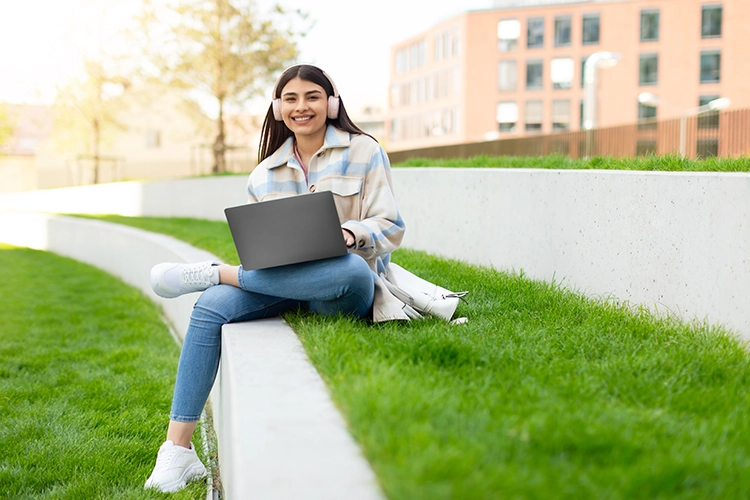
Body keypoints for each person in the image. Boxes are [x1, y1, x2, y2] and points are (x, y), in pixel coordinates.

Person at [143, 64, 413, 493]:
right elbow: (262, 247)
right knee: (210, 306)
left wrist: (349, 233)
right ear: (277, 107)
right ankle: (177, 452)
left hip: (347, 282)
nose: (301, 106)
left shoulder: (364, 151)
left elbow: (391, 225)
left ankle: (219, 274)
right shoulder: (263, 173)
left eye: (312, 96)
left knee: (347, 269)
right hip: (285, 284)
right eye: (290, 98)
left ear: (332, 103)